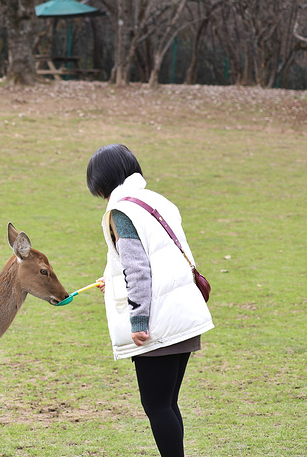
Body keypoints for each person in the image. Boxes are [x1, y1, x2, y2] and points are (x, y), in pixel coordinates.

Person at [86, 144, 214, 457]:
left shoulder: (122, 211)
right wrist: (116, 285)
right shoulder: (155, 200)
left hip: (159, 321)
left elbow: (138, 269)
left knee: (156, 406)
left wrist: (139, 320)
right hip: (182, 314)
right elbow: (157, 258)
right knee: (167, 404)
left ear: (104, 182)